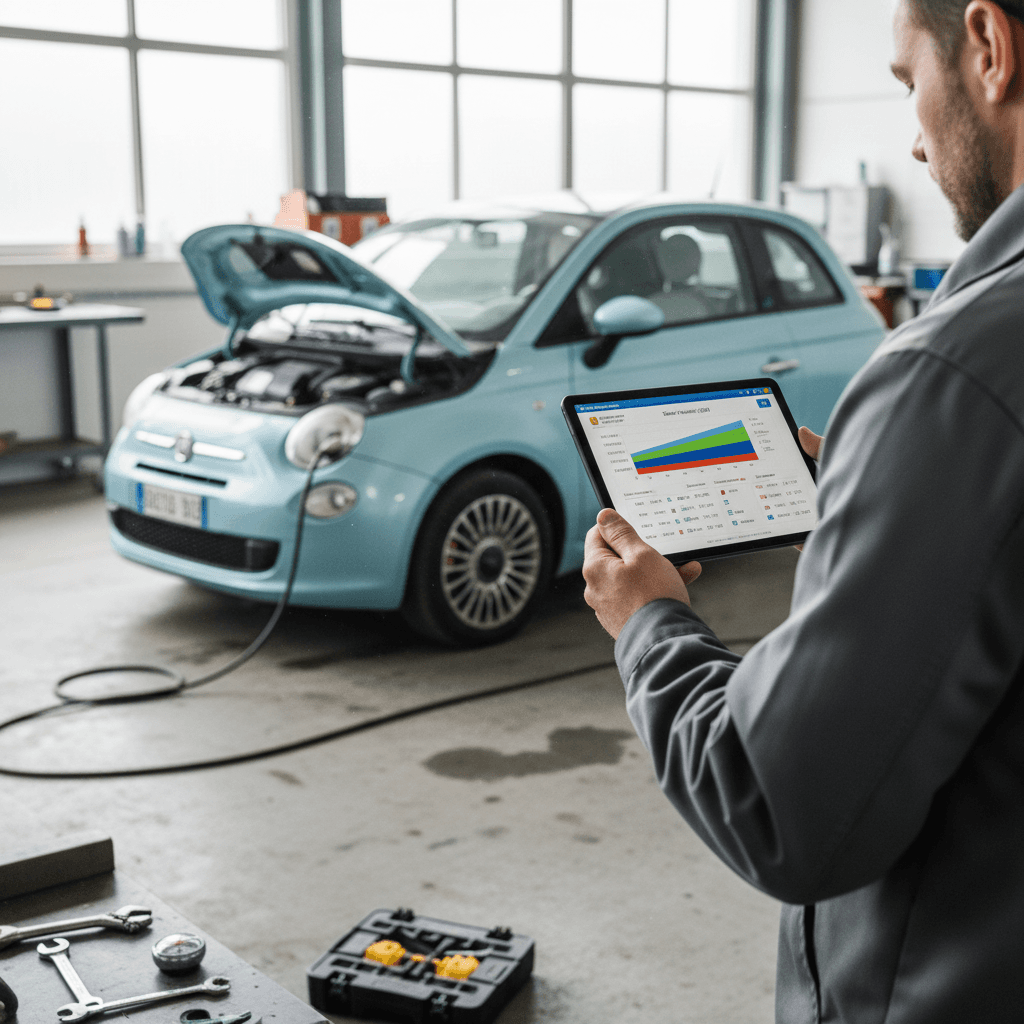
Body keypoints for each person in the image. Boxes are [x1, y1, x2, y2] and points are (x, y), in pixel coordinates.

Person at [581, 1, 1024, 1021]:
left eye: (909, 79)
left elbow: (784, 806)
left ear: (989, 49)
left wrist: (649, 624)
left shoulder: (952, 369)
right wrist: (877, 485)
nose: (914, 135)